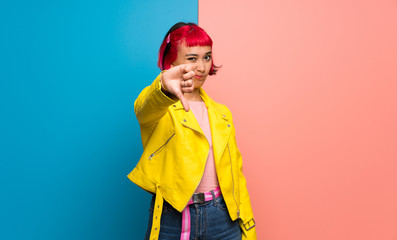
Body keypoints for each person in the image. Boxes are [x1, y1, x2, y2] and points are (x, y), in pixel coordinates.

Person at [128, 22, 257, 240]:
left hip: (223, 216)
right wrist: (162, 87)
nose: (201, 67)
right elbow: (143, 108)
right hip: (173, 217)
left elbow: (236, 175)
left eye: (206, 57)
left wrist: (247, 225)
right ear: (172, 61)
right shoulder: (160, 106)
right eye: (191, 58)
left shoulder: (221, 113)